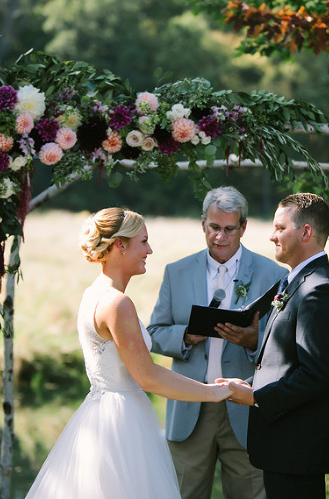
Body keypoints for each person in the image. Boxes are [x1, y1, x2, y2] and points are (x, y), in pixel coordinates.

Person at [25, 208, 232, 499]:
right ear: (120, 244)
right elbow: (148, 377)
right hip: (120, 425)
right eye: (143, 241)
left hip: (101, 413)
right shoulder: (117, 304)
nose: (150, 250)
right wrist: (212, 392)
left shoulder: (93, 294)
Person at [147, 186, 287, 499]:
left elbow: (284, 345)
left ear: (244, 228)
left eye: (228, 229)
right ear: (202, 224)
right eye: (213, 228)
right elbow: (153, 332)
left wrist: (254, 341)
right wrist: (186, 335)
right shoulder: (176, 272)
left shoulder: (273, 274)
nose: (219, 237)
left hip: (246, 407)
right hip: (189, 407)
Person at [221, 193, 329, 499]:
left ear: (306, 232)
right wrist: (251, 382)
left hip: (299, 448)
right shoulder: (298, 281)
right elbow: (287, 360)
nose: (271, 235)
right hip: (284, 445)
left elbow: (316, 374)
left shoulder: (320, 290)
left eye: (280, 228)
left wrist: (256, 397)